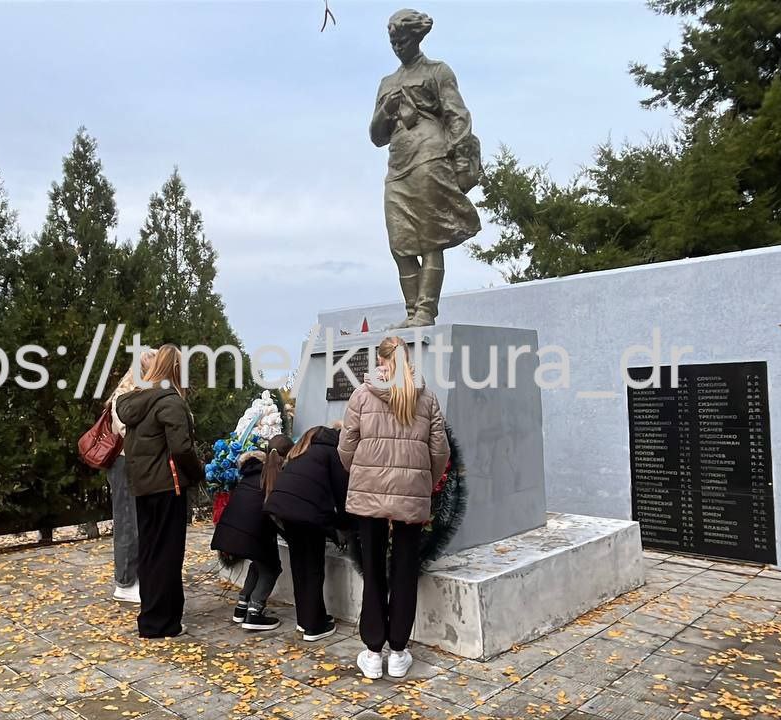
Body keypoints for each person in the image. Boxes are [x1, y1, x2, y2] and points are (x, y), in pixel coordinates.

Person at [339, 336, 449, 679]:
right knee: (405, 569)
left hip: (369, 492)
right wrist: (423, 483)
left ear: (380, 360)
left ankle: (373, 652)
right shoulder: (427, 398)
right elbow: (440, 451)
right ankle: (399, 651)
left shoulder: (362, 395)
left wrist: (362, 474)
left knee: (372, 568)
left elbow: (346, 445)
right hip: (411, 492)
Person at [371, 8, 481, 328]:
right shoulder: (387, 82)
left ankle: (425, 311)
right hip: (398, 165)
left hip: (430, 157)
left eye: (403, 41)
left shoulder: (437, 71)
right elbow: (376, 136)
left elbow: (457, 116)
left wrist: (461, 161)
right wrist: (385, 110)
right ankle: (411, 311)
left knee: (430, 238)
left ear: (416, 38)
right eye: (393, 42)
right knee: (399, 243)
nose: (398, 47)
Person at [114, 345, 205, 639]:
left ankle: (152, 618)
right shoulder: (170, 402)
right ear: (175, 369)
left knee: (150, 551)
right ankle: (164, 622)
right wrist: (198, 473)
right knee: (168, 554)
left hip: (144, 486)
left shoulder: (136, 401)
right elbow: (181, 448)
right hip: (168, 486)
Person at [265, 425, 349, 642]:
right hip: (307, 514)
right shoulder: (332, 452)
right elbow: (342, 493)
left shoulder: (301, 450)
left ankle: (305, 620)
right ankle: (315, 626)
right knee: (313, 568)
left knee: (300, 566)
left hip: (284, 511)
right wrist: (347, 526)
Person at [210, 434, 294, 631]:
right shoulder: (277, 477)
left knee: (259, 563)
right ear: (287, 456)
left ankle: (242, 606)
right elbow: (278, 515)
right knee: (272, 568)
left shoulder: (252, 473)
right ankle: (254, 613)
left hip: (232, 530)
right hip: (254, 533)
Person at [106, 350, 156, 603]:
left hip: (137, 462)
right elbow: (126, 431)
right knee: (127, 521)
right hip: (125, 462)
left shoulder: (139, 394)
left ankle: (136, 577)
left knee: (139, 521)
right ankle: (124, 582)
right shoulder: (124, 397)